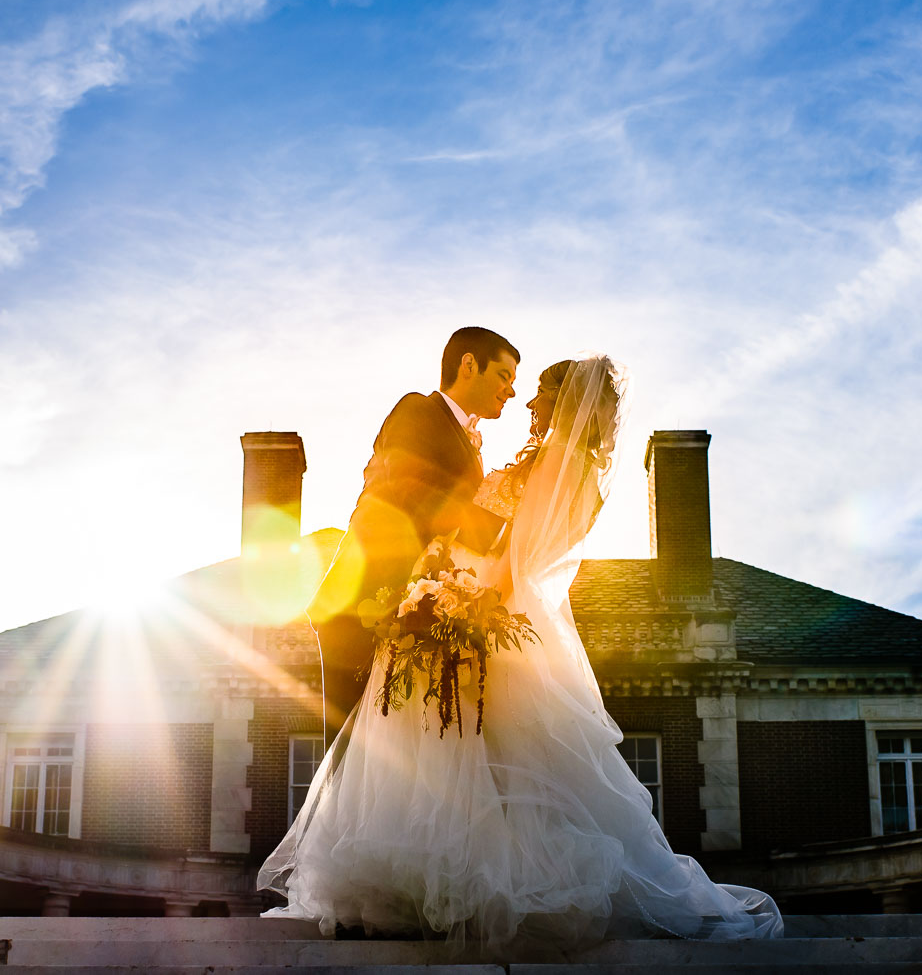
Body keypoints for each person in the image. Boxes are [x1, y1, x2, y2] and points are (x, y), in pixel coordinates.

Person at [259, 354, 784, 951]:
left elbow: (516, 563)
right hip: (460, 606)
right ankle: (430, 896)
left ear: (563, 403)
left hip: (475, 618)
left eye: (536, 391)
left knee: (463, 767)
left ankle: (455, 895)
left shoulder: (561, 463)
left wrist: (455, 602)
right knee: (452, 768)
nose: (526, 401)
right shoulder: (557, 462)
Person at [305, 326, 519, 744]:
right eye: (504, 375)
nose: (510, 391)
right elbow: (406, 488)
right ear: (469, 365)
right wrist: (500, 531)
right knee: (354, 764)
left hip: (413, 618)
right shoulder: (418, 410)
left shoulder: (467, 438)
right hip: (361, 610)